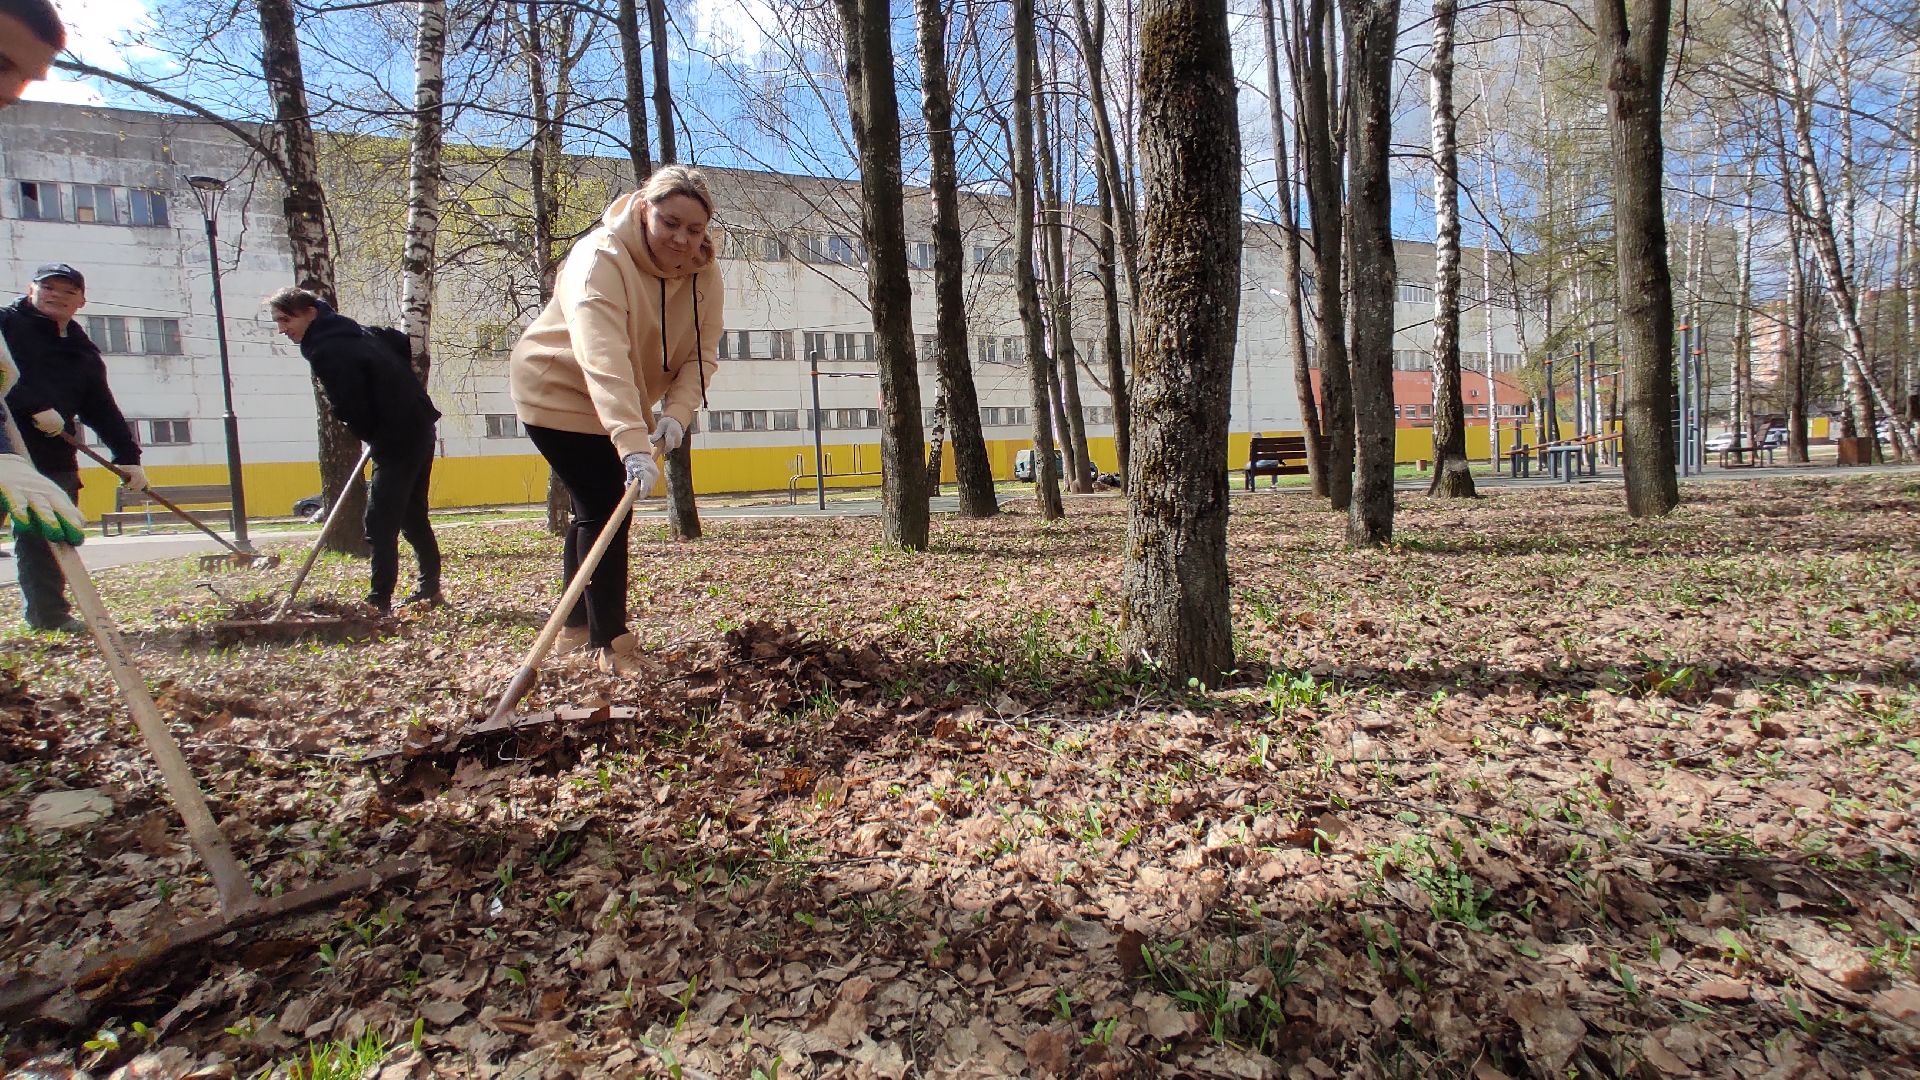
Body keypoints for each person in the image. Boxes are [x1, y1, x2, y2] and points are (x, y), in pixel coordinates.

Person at [510, 165, 723, 674]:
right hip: (556, 388)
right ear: (645, 208)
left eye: (694, 229)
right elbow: (603, 358)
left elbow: (702, 353)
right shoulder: (599, 258)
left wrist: (676, 415)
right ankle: (611, 645)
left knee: (595, 509)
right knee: (607, 507)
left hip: (620, 395)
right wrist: (631, 443)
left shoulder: (703, 272)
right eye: (670, 222)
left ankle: (575, 630)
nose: (682, 239)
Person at [267, 289, 442, 614]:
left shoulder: (327, 348)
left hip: (397, 436)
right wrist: (394, 391)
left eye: (286, 320)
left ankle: (378, 601)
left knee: (379, 522)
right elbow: (398, 341)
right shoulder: (356, 331)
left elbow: (349, 404)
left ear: (310, 313)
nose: (281, 329)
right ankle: (429, 589)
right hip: (419, 424)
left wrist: (372, 428)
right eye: (278, 321)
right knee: (412, 515)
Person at [1, 264, 149, 632]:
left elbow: (100, 406)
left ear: (81, 301)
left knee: (48, 535)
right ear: (30, 289)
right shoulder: (5, 325)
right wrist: (32, 403)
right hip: (4, 451)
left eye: (68, 291)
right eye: (48, 287)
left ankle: (49, 618)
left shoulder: (80, 349)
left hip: (51, 456)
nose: (57, 296)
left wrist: (128, 457)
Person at [0, 0, 77, 566]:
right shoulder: (13, 324)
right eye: (1, 64)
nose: (12, 93)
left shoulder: (80, 345)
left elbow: (97, 398)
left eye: (28, 78)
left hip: (41, 457)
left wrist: (127, 453)